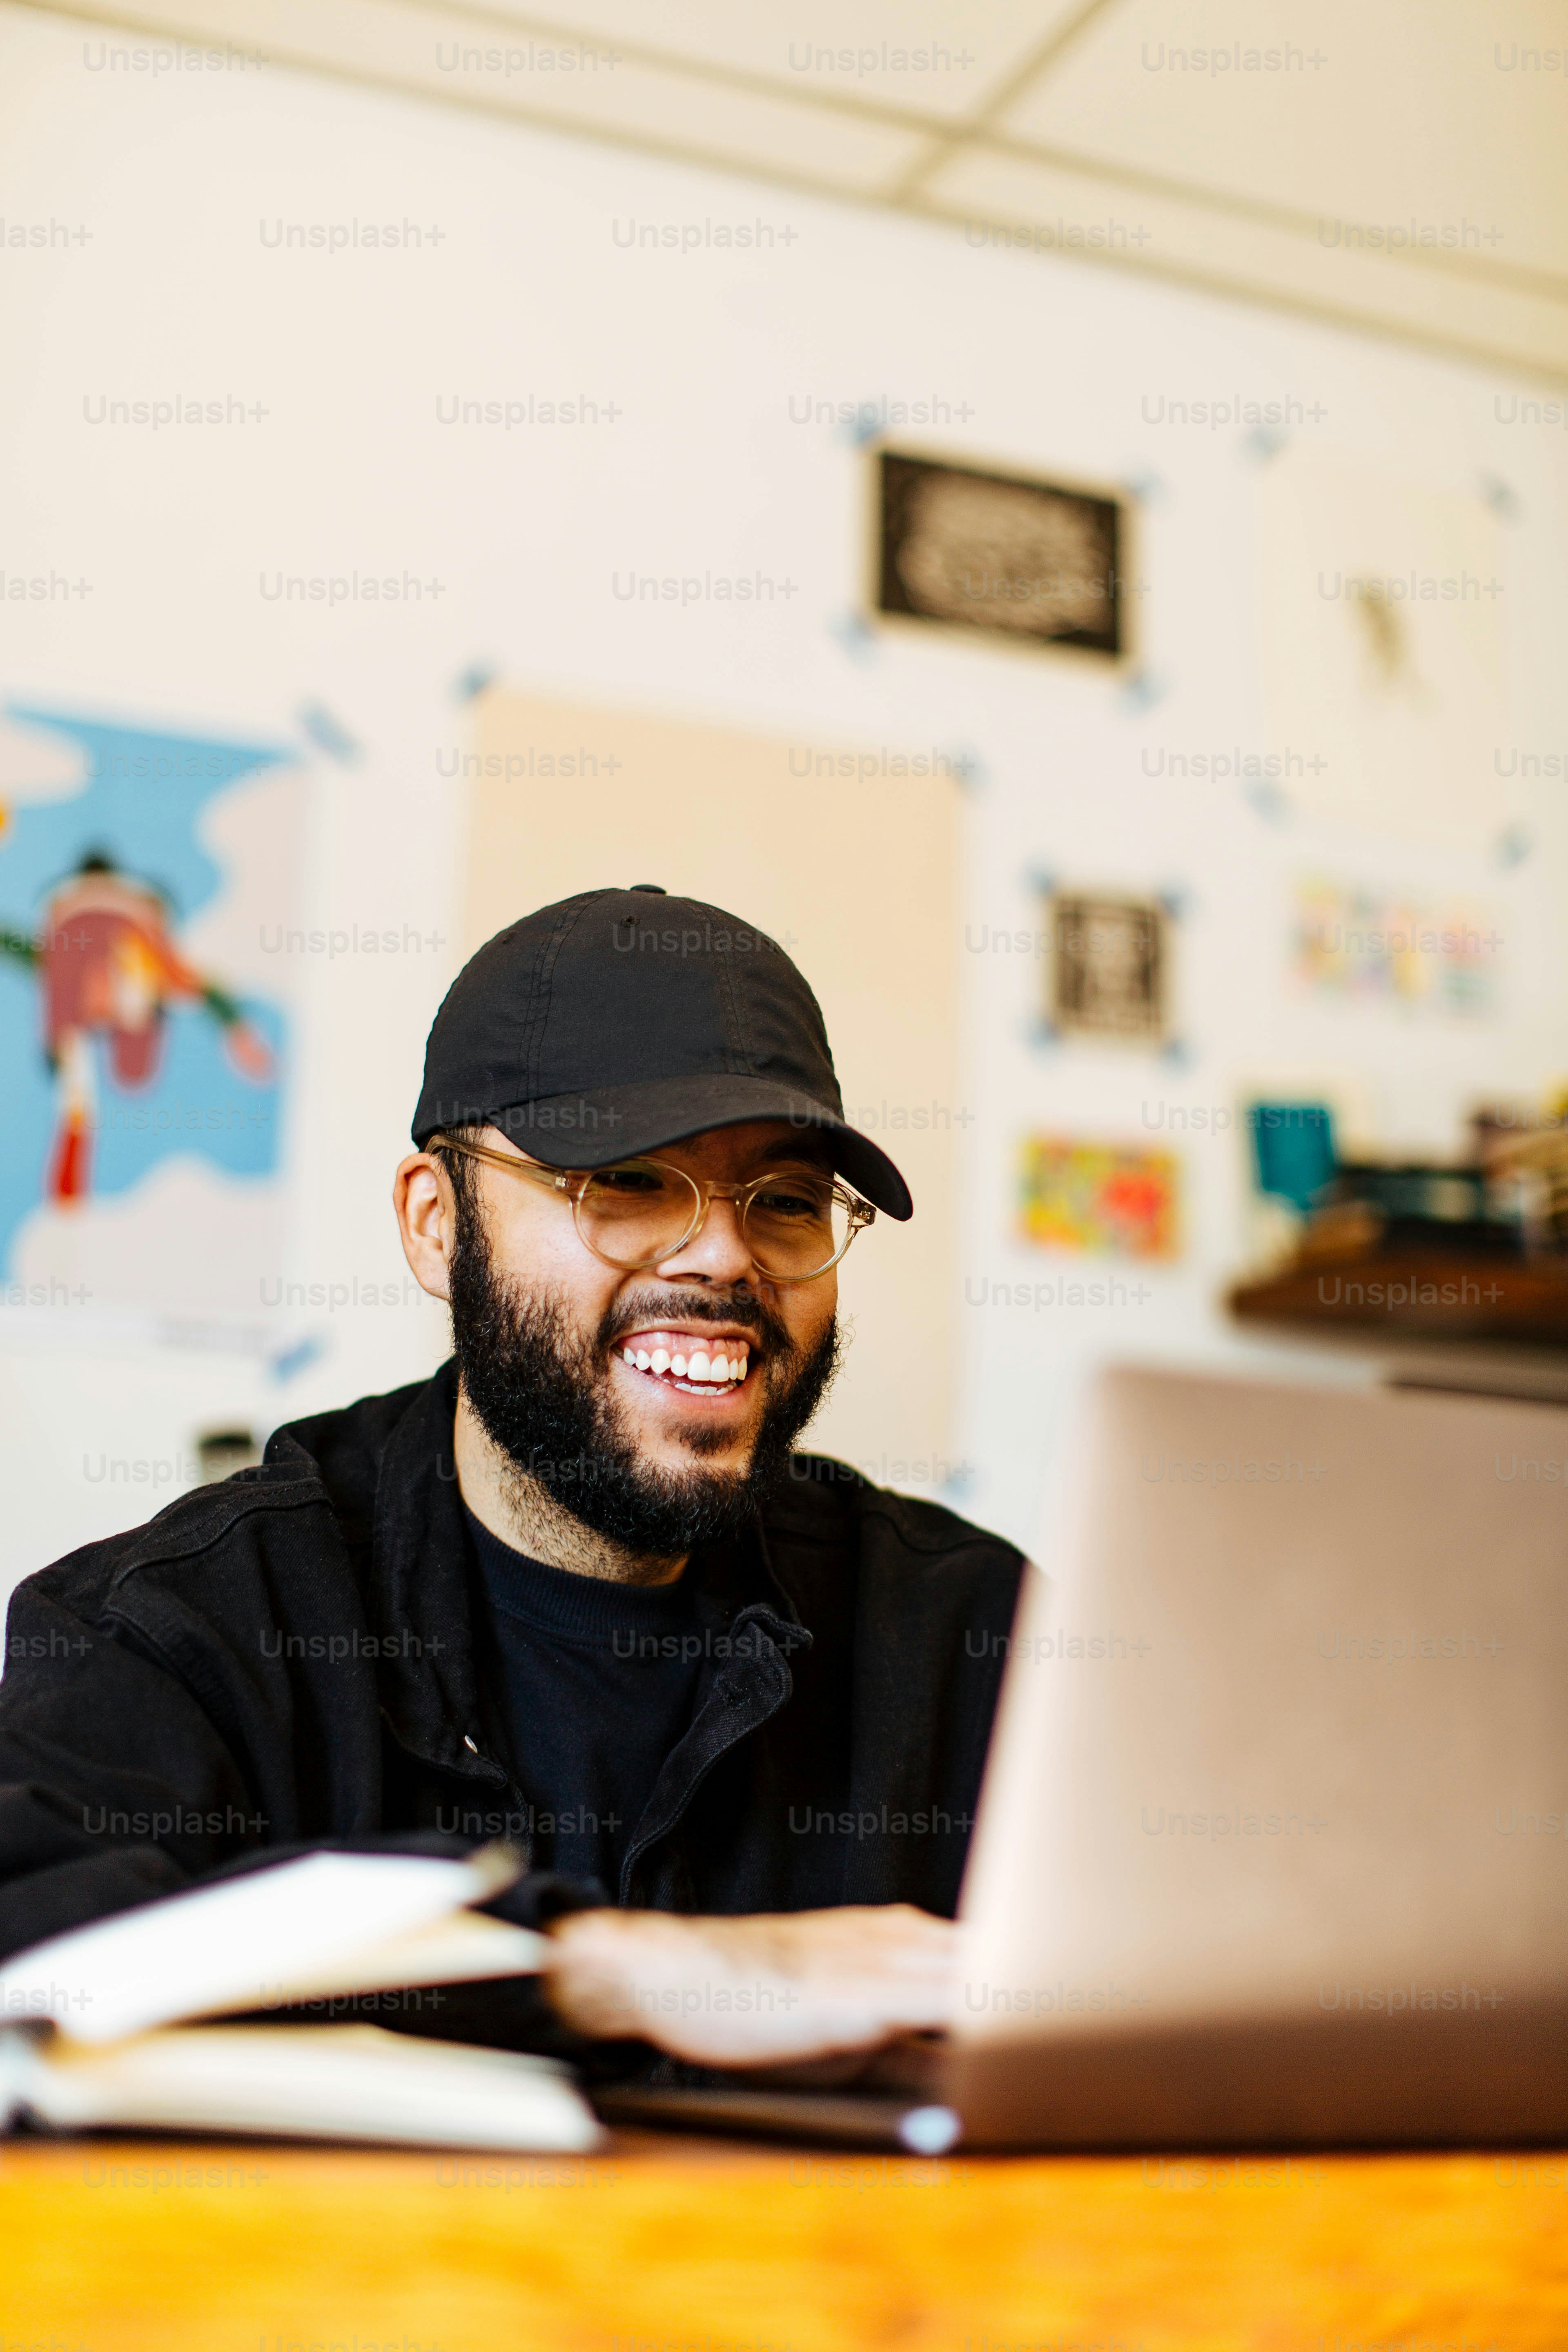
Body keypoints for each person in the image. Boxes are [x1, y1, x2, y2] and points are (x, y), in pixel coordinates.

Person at [0, 886, 1023, 2075]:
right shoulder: (194, 1621)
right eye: (628, 1181)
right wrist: (590, 1967)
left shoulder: (977, 1637)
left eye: (786, 1204)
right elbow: (32, 1939)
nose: (726, 1258)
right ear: (438, 1225)